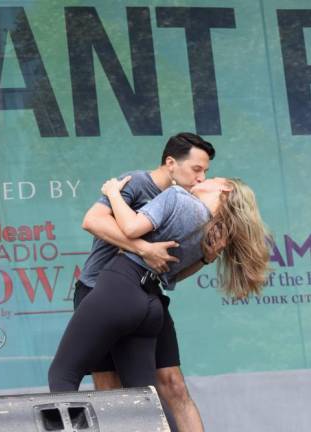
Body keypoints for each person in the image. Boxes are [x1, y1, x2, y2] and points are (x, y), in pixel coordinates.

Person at [49, 176, 272, 430]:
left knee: (62, 375)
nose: (203, 178)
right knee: (147, 400)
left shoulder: (177, 197)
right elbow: (170, 275)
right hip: (151, 303)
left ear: (225, 188)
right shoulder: (214, 231)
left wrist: (112, 193)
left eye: (210, 176)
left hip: (121, 285)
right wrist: (205, 260)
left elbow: (131, 228)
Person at [71, 133, 216, 431]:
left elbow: (168, 271)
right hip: (98, 291)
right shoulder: (135, 182)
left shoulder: (188, 204)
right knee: (110, 389)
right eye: (196, 169)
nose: (201, 179)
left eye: (206, 172)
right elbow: (92, 220)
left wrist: (203, 259)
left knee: (172, 384)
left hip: (146, 295)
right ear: (171, 163)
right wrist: (143, 248)